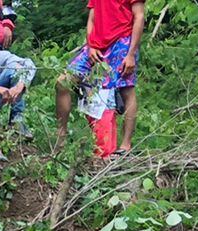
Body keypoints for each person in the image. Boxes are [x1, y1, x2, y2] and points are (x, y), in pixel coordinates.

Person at [55, 0, 147, 155]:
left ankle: (125, 146)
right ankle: (61, 135)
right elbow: (92, 19)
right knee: (63, 83)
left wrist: (131, 54)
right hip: (96, 46)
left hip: (122, 42)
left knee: (126, 91)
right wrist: (91, 46)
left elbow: (139, 16)